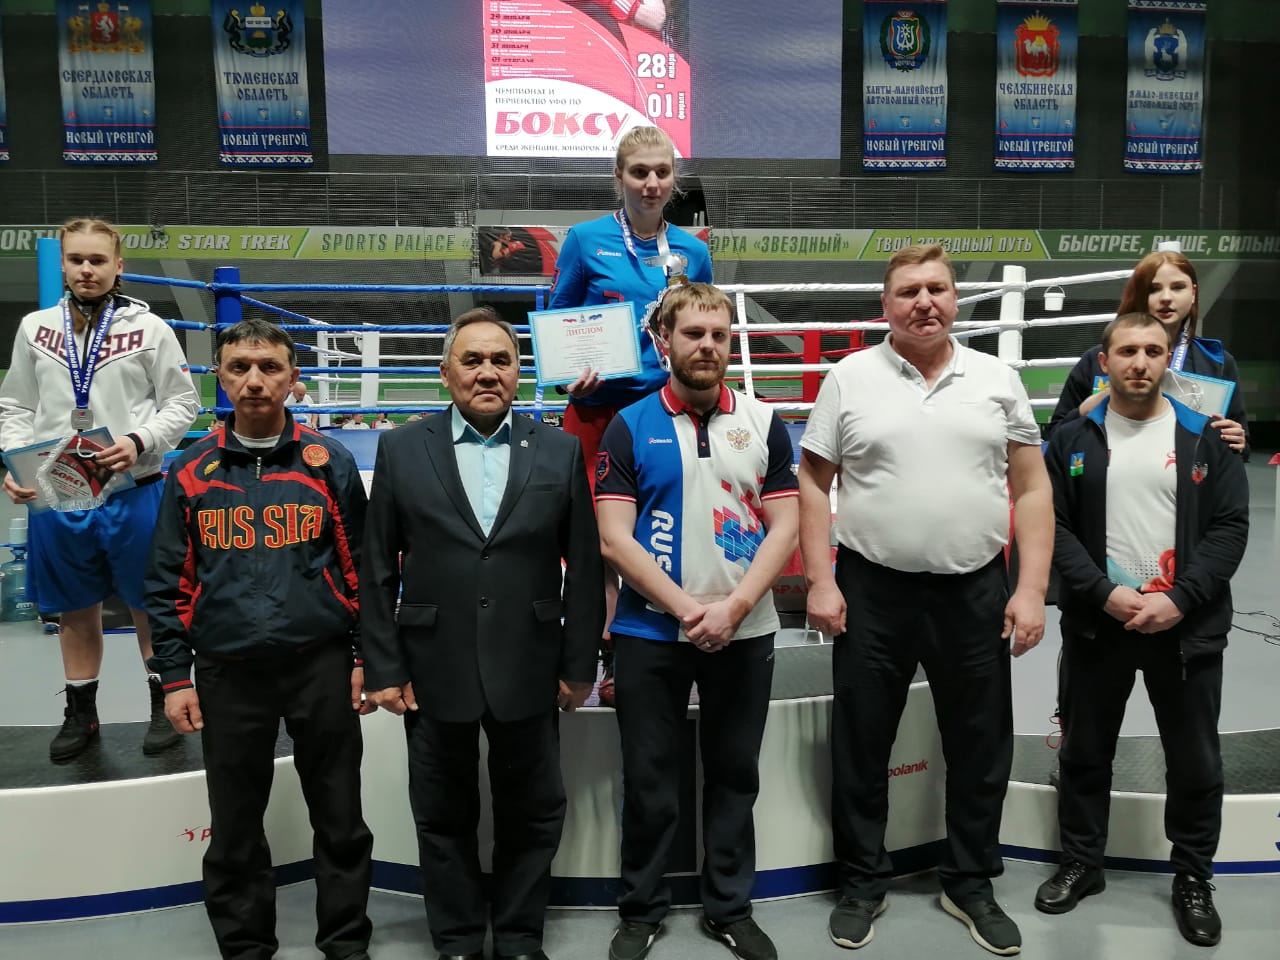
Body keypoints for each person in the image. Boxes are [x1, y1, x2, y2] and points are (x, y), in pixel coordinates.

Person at [798, 244, 1053, 957]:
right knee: (861, 742)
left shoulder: (997, 379)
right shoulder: (849, 378)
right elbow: (813, 481)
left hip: (974, 589)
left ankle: (969, 882)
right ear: (885, 305)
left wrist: (1032, 589)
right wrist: (820, 580)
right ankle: (861, 882)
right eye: (908, 291)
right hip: (872, 589)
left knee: (980, 744)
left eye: (937, 288)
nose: (924, 302)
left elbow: (1033, 487)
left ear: (955, 300)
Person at [361, 307, 605, 960]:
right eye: (472, 360)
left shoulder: (557, 450)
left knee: (534, 809)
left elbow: (584, 567)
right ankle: (459, 940)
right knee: (442, 813)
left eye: (501, 359)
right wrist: (384, 667)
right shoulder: (401, 450)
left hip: (532, 663)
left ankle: (521, 937)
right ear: (446, 374)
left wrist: (579, 664)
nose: (487, 372)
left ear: (520, 372)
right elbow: (377, 568)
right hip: (431, 664)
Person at [145, 318, 374, 960]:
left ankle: (346, 943)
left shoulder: (329, 463)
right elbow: (167, 583)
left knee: (340, 816)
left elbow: (363, 570)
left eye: (269, 367)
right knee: (235, 825)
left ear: (293, 378)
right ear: (219, 378)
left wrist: (364, 656)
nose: (254, 381)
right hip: (227, 671)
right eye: (239, 368)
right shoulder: (191, 470)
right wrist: (175, 677)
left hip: (321, 665)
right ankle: (245, 947)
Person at [595, 283, 798, 960]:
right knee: (649, 781)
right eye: (693, 333)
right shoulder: (629, 425)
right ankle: (640, 910)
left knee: (735, 775)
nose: (707, 346)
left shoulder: (765, 423)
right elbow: (614, 538)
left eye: (719, 334)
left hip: (745, 631)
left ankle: (729, 909)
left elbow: (784, 527)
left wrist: (733, 610)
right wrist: (688, 611)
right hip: (650, 632)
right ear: (664, 341)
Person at [1034, 312, 1248, 947]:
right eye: (1127, 351)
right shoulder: (1073, 438)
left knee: (1194, 759)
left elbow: (1230, 527)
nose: (1140, 362)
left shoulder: (1204, 436)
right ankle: (1082, 861)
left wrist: (1181, 598)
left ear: (1165, 360)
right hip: (1100, 624)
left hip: (1185, 627)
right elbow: (1054, 527)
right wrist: (1102, 593)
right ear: (1105, 363)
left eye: (1153, 351)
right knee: (1084, 750)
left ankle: (1193, 876)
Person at [0, 217, 199, 762]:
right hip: (58, 493)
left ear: (118, 266)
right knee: (74, 607)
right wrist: (16, 462)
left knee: (151, 604)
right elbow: (15, 404)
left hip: (134, 487)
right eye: (76, 260)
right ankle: (81, 713)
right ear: (63, 264)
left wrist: (140, 440)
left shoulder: (150, 328)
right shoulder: (35, 328)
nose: (86, 269)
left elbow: (183, 402)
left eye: (97, 260)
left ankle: (164, 703)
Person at [548, 123, 713, 705]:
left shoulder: (694, 251)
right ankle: (594, 656)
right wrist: (569, 374)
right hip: (596, 413)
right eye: (639, 172)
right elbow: (559, 320)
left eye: (662, 172)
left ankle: (644, 651)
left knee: (657, 531)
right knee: (595, 542)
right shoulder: (584, 240)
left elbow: (703, 323)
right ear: (619, 176)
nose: (651, 183)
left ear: (674, 179)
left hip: (663, 413)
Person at [1047, 250, 1249, 458]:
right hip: (1111, 472)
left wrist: (1238, 441)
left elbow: (1240, 448)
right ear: (1139, 295)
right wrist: (1086, 409)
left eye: (1178, 287)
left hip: (1186, 475)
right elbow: (1055, 436)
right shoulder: (1098, 360)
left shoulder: (1217, 361)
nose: (1166, 298)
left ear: (1193, 293)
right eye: (1153, 289)